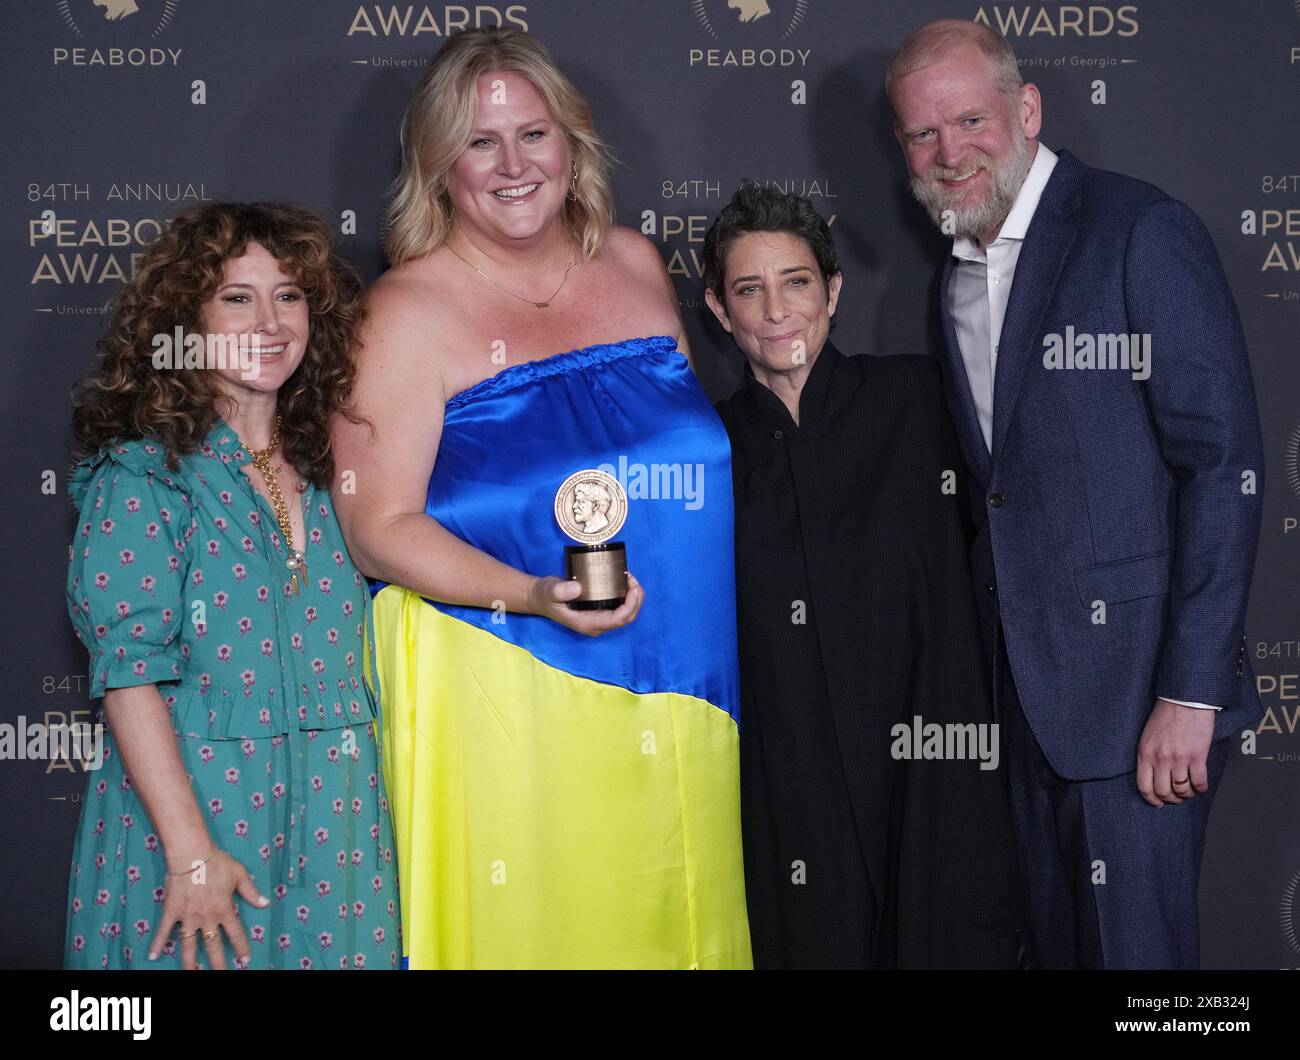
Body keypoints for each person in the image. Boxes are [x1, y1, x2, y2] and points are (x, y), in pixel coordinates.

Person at [332, 27, 750, 969]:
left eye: (534, 133)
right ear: (439, 167)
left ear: (574, 143)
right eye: (480, 142)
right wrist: (529, 595)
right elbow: (373, 530)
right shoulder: (401, 313)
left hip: (687, 682)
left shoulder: (638, 267)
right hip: (508, 691)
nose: (512, 164)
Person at [887, 19, 1264, 969]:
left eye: (969, 119)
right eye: (922, 135)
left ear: (1026, 109)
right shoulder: (953, 278)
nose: (949, 151)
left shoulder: (1138, 229)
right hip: (1023, 716)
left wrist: (1191, 691)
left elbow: (1221, 466)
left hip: (1143, 708)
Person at [64, 202, 401, 969]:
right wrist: (190, 857)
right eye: (237, 297)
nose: (271, 321)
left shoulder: (340, 470)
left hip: (338, 828)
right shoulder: (145, 475)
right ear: (185, 318)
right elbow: (129, 676)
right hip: (200, 827)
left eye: (289, 296)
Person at [704, 182, 1021, 969]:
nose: (777, 310)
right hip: (792, 800)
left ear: (834, 290)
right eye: (750, 289)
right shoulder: (708, 451)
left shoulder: (921, 400)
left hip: (938, 785)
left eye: (797, 281)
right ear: (719, 310)